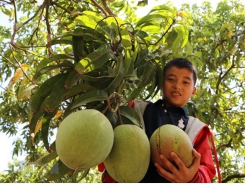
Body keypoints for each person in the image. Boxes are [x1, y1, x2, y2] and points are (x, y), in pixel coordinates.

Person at [98, 58, 221, 183]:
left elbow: (206, 170)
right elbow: (107, 142)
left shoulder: (196, 129)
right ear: (162, 84)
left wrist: (192, 177)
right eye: (171, 79)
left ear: (193, 91)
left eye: (185, 82)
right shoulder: (134, 109)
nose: (177, 86)